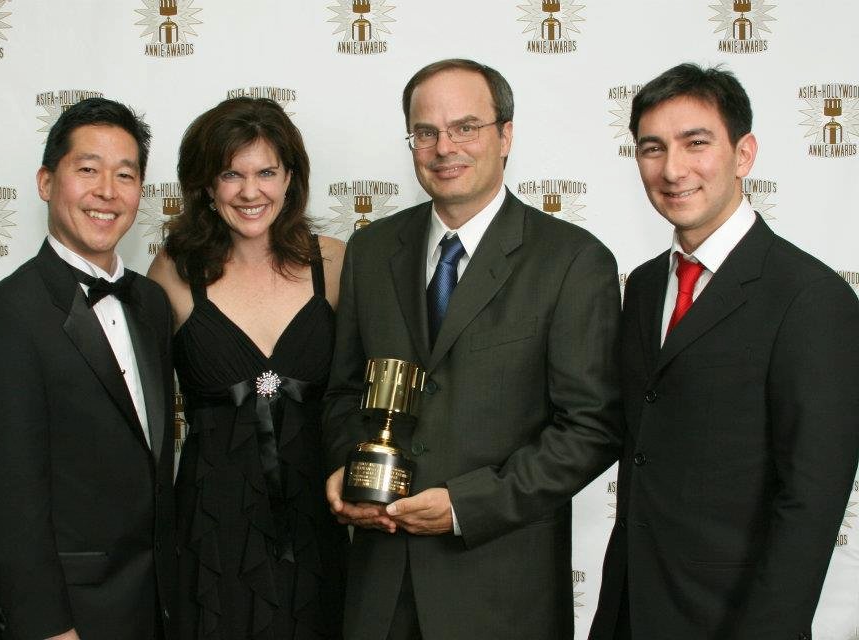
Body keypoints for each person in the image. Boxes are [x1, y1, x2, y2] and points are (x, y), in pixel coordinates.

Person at [321, 58, 623, 640]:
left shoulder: (573, 260)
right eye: (426, 132)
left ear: (505, 135)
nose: (444, 147)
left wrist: (466, 505)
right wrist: (344, 467)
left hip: (502, 592)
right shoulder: (370, 250)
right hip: (378, 585)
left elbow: (592, 427)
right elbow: (343, 392)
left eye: (466, 127)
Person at [589, 63, 859, 640]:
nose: (672, 169)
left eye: (696, 143)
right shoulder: (640, 287)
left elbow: (812, 501)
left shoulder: (810, 297)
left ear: (744, 154)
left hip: (731, 619)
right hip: (629, 611)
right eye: (652, 148)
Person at [0, 98, 176, 640]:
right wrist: (47, 627)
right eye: (88, 170)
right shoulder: (4, 315)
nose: (107, 191)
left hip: (156, 607)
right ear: (46, 182)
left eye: (125, 175)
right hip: (69, 619)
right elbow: (3, 500)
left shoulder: (151, 302)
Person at [147, 97, 347, 639]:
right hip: (212, 522)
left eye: (266, 172)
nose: (250, 191)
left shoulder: (333, 261)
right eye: (230, 174)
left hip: (321, 513)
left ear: (290, 178)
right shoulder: (173, 271)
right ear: (206, 186)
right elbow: (137, 401)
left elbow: (366, 386)